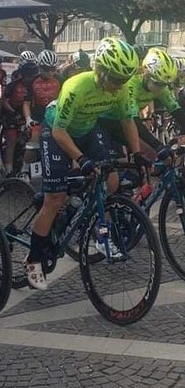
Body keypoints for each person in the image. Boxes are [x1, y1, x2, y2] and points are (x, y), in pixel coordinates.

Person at [25, 38, 143, 291]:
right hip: (57, 131)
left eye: (124, 81)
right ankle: (33, 259)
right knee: (54, 198)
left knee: (110, 180)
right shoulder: (76, 85)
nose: (119, 86)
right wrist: (81, 159)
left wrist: (137, 154)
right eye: (115, 80)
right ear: (101, 71)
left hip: (88, 129)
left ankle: (100, 231)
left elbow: (127, 121)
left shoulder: (120, 88)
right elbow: (59, 131)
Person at [24, 50, 61, 152]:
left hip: (56, 116)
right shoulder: (32, 81)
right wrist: (28, 119)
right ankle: (27, 165)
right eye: (46, 69)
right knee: (33, 142)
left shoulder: (61, 79)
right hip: (38, 116)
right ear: (39, 67)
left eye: (52, 69)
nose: (50, 72)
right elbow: (26, 103)